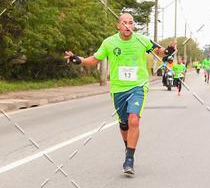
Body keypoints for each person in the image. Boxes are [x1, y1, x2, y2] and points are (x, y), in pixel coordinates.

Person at [65, 13, 170, 175]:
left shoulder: (142, 40)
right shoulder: (109, 42)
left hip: (138, 86)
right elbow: (93, 60)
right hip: (118, 89)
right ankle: (128, 146)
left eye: (131, 23)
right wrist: (77, 59)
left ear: (133, 26)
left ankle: (129, 158)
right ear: (118, 25)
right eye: (124, 23)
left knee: (133, 120)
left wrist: (169, 50)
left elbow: (159, 50)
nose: (128, 26)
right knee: (124, 123)